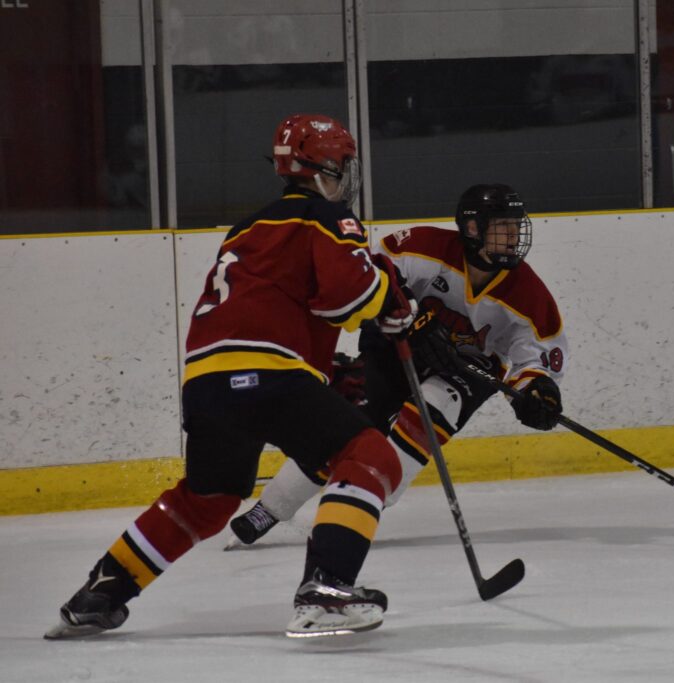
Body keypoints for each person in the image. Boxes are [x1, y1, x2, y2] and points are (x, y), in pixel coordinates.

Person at [45, 113, 421, 640]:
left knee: (207, 500)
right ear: (323, 169)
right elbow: (345, 297)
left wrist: (323, 360)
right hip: (269, 372)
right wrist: (389, 296)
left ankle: (99, 594)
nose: (346, 176)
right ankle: (328, 590)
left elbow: (282, 302)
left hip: (207, 381)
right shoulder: (326, 217)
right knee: (371, 455)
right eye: (343, 165)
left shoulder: (246, 229)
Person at [225, 183, 567, 549]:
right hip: (397, 342)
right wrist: (410, 315)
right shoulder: (425, 247)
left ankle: (354, 507)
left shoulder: (528, 293)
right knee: (352, 426)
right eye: (504, 227)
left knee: (428, 418)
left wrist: (536, 392)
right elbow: (370, 269)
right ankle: (272, 508)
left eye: (517, 227)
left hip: (468, 370)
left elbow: (538, 357)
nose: (514, 236)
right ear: (472, 228)